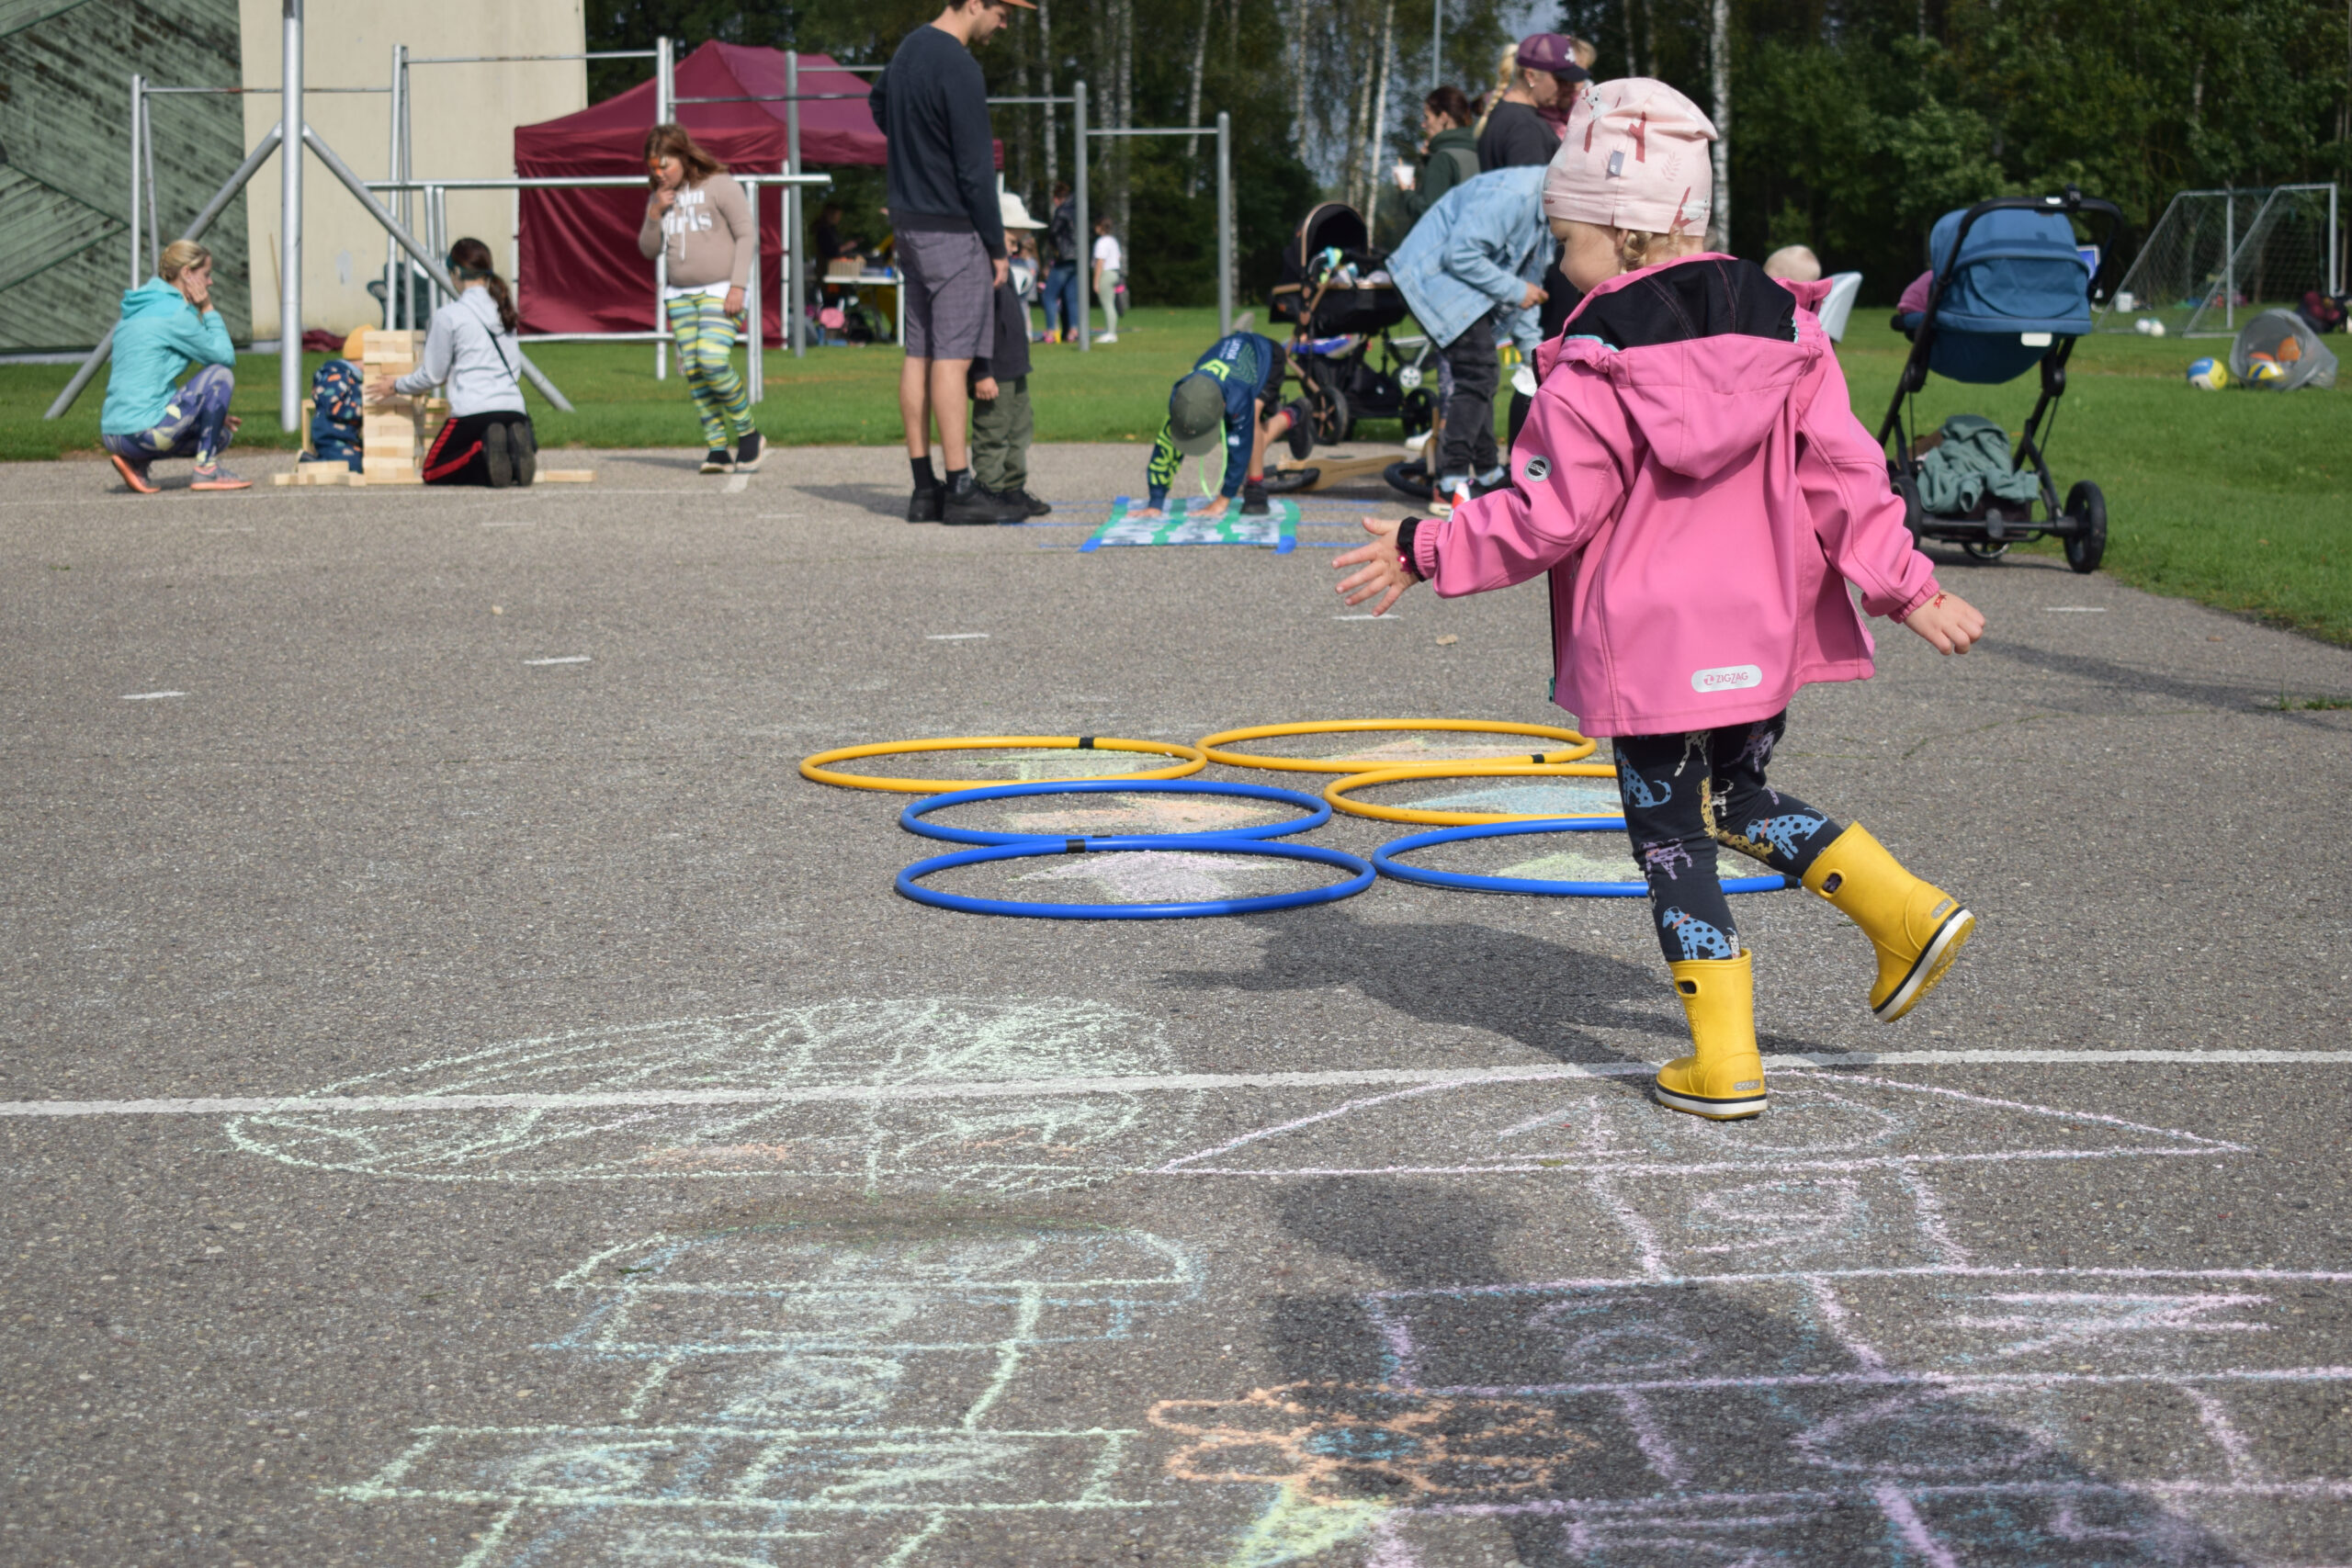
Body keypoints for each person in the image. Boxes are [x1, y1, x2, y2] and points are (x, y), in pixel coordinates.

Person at [1334, 80, 1987, 1124]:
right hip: (1758, 636)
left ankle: (1724, 1060)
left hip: (1651, 652)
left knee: (1671, 837)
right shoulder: (1786, 327)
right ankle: (1902, 908)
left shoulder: (1594, 362)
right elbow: (1844, 469)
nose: (1558, 263)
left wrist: (1427, 545)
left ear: (1630, 233)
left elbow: (1547, 516)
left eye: (1568, 237)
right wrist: (1906, 586)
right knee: (1736, 798)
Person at [871, 0, 1032, 525]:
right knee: (953, 357)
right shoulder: (959, 65)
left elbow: (878, 102)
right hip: (952, 226)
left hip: (909, 222)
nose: (1004, 23)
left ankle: (925, 489)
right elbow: (975, 168)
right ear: (975, 3)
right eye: (1004, 11)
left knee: (918, 351)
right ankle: (962, 489)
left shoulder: (909, 49)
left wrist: (913, 149)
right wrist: (993, 243)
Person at [1385, 164, 1551, 514]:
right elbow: (1460, 254)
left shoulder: (1549, 218)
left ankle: (1488, 474)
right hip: (1431, 277)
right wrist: (1517, 289)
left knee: (1481, 376)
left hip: (1458, 286)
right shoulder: (1516, 195)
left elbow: (1529, 291)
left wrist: (1535, 359)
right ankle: (1450, 483)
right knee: (1479, 373)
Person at [639, 123, 762, 476]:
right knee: (694, 372)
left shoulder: (720, 185)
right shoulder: (659, 198)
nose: (660, 174)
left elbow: (746, 234)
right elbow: (649, 250)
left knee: (712, 360)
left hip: (721, 289)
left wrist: (738, 286)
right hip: (679, 295)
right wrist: (653, 214)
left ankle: (749, 434)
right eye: (653, 167)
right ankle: (717, 448)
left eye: (666, 165)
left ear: (684, 156)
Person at [368, 237, 537, 488]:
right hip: (514, 409)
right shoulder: (504, 310)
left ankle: (483, 449)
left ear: (456, 272)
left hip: (474, 412)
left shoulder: (449, 315)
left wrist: (396, 386)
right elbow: (514, 368)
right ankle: (513, 457)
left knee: (433, 470)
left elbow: (433, 375)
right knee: (498, 451)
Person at [99, 239, 248, 492]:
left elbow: (152, 382)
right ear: (187, 273)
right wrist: (208, 308)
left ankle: (136, 463)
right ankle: (207, 470)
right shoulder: (176, 313)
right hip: (142, 433)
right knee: (220, 375)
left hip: (115, 435)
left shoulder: (137, 310)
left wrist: (206, 411)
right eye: (206, 275)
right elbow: (224, 356)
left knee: (219, 434)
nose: (210, 282)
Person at [1135, 329, 1313, 521]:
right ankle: (1294, 414)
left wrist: (1223, 499)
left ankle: (1255, 486)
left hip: (1266, 356)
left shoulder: (1238, 396)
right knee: (1252, 439)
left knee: (1251, 423)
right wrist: (1156, 501)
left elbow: (1239, 446)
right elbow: (1166, 447)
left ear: (1224, 406)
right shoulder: (1184, 398)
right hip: (1231, 370)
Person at [966, 192, 1049, 521]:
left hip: (1015, 367)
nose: (1015, 248)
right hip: (994, 371)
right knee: (993, 433)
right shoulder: (982, 270)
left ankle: (1013, 488)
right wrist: (981, 371)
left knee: (1018, 431)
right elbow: (977, 324)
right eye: (1011, 240)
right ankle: (991, 490)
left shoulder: (1005, 268)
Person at [1476, 34, 1584, 172]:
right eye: (1560, 80)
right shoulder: (1525, 127)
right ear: (1530, 76)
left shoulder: (1504, 114)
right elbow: (1528, 191)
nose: (1567, 87)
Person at [1394, 86, 1480, 225]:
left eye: (1427, 118)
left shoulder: (1443, 159)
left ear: (1443, 118)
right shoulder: (1479, 153)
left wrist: (1407, 193)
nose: (1423, 124)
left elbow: (1428, 214)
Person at [305, 327, 366, 472]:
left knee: (363, 462)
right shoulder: (337, 375)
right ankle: (309, 462)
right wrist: (361, 410)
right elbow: (332, 406)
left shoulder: (353, 377)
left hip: (348, 437)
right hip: (331, 437)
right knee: (349, 465)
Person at [1042, 181, 1080, 342]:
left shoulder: (1062, 211)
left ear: (1057, 198)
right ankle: (1074, 330)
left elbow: (1053, 232)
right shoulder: (1079, 209)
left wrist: (1051, 252)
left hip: (1064, 258)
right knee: (1072, 297)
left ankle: (1051, 331)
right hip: (1079, 259)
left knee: (1049, 295)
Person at [1090, 215, 1124, 344]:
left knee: (1107, 304)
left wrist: (1096, 282)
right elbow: (1119, 257)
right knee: (1111, 303)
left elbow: (1100, 262)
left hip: (1106, 273)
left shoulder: (1102, 242)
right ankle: (1111, 331)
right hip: (1115, 272)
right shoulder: (1113, 241)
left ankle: (1110, 333)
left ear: (1099, 227)